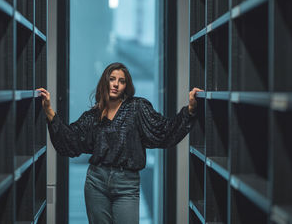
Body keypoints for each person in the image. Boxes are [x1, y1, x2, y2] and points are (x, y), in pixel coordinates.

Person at [37, 62, 202, 224]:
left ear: (126, 86)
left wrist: (190, 110)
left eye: (121, 81)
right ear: (105, 82)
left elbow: (164, 131)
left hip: (127, 184)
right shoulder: (93, 115)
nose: (116, 84)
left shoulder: (138, 107)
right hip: (96, 182)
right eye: (112, 79)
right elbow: (71, 140)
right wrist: (49, 112)